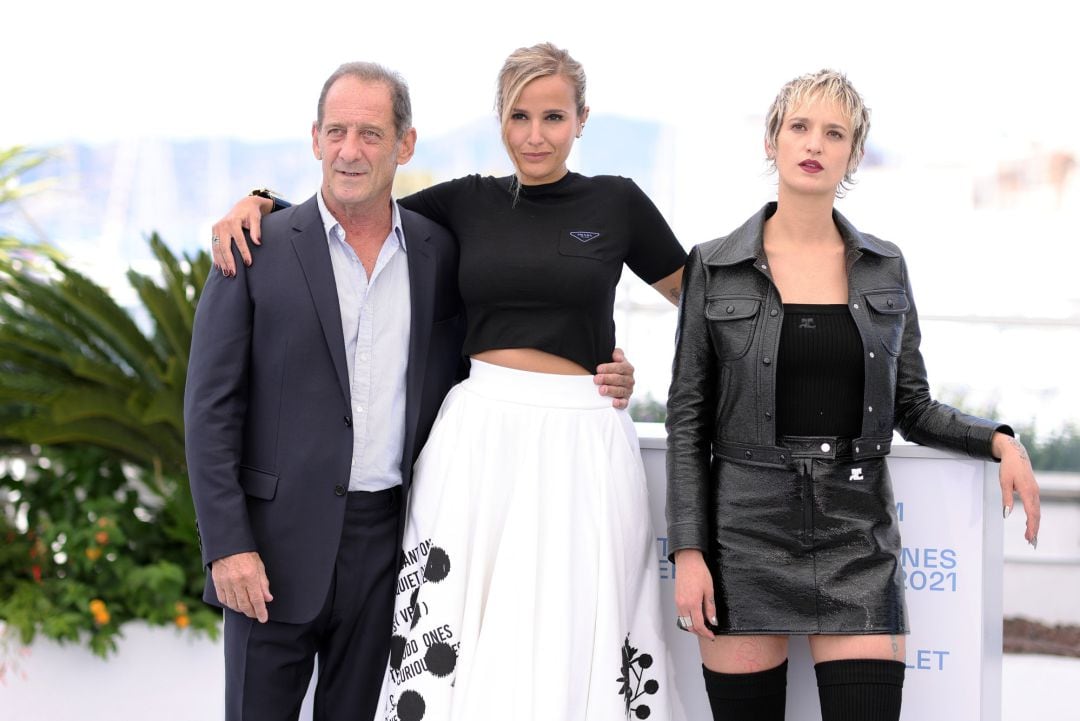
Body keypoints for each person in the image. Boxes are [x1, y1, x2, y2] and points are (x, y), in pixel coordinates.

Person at [211, 44, 687, 721]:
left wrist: (647, 373)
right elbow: (354, 203)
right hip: (476, 443)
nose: (535, 134)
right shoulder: (466, 203)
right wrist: (256, 203)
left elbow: (701, 301)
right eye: (518, 116)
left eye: (553, 116)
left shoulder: (618, 202)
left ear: (582, 119)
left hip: (585, 442)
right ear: (500, 119)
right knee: (455, 644)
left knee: (581, 626)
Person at [664, 69, 1041, 721]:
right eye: (799, 127)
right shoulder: (713, 264)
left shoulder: (884, 267)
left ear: (855, 154)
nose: (814, 143)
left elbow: (913, 406)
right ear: (771, 140)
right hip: (742, 534)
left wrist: (998, 439)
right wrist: (690, 551)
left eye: (834, 132)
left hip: (855, 530)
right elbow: (688, 417)